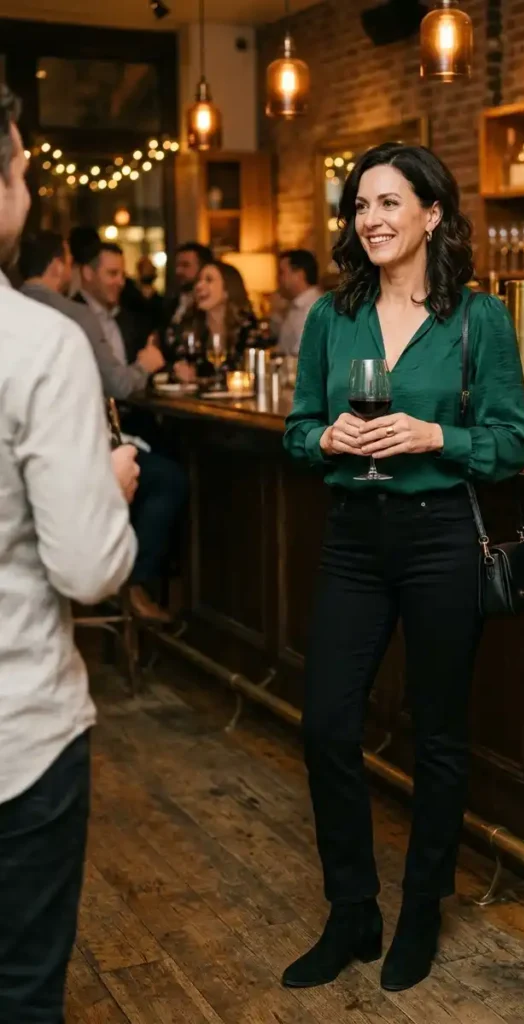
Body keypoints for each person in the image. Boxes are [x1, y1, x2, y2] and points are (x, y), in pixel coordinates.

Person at [283, 143, 524, 992]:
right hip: (353, 535)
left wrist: (437, 436)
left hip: (436, 538)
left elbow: (511, 444)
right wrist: (325, 437)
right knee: (324, 725)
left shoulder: (478, 320)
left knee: (437, 737)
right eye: (360, 206)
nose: (372, 219)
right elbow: (297, 428)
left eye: (389, 203)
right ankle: (352, 912)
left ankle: (421, 907)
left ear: (432, 214)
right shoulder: (331, 315)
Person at [0, 84, 138, 1022]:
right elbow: (87, 568)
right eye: (17, 167)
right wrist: (109, 487)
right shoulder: (38, 343)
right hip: (17, 737)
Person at [70, 239, 188, 624]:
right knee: (168, 478)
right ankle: (135, 583)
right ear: (86, 273)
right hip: (91, 439)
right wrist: (145, 367)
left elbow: (143, 371)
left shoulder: (128, 317)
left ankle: (177, 591)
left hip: (131, 426)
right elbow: (121, 381)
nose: (121, 281)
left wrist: (164, 369)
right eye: (112, 273)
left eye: (122, 273)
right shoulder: (73, 319)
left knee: (180, 458)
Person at [18, 230, 165, 399]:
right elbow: (118, 385)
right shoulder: (76, 315)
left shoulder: (8, 309)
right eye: (70, 263)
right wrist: (144, 366)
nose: (121, 282)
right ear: (57, 266)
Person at [180, 259, 256, 363]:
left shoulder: (248, 328)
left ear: (227, 290)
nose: (198, 286)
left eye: (209, 280)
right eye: (198, 280)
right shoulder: (188, 325)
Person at [275, 249, 322, 356]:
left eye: (282, 273)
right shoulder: (297, 305)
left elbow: (300, 355)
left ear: (299, 275)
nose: (278, 279)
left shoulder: (312, 308)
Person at [166, 240, 213, 327]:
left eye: (185, 265)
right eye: (177, 266)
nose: (178, 271)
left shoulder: (211, 307)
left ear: (203, 268)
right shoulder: (170, 305)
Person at [121, 254, 165, 337]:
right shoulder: (129, 293)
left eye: (151, 268)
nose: (149, 270)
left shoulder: (159, 300)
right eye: (146, 268)